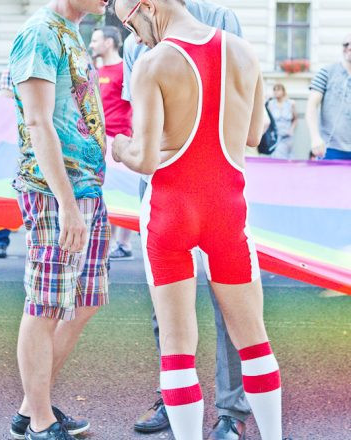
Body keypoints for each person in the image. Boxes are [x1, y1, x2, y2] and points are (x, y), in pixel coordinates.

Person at [113, 1, 286, 439]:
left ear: (147, 5)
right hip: (228, 209)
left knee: (176, 349)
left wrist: (118, 147)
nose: (134, 36)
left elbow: (147, 157)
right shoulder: (244, 52)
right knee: (255, 343)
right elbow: (253, 134)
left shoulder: (152, 64)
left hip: (170, 210)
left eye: (131, 22)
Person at [8, 0, 110, 439]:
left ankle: (34, 405)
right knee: (46, 303)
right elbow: (37, 121)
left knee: (84, 300)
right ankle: (39, 422)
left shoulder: (71, 31)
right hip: (55, 194)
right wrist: (66, 204)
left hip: (86, 190)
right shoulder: (39, 34)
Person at [89, 25, 135, 261]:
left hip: (119, 141)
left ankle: (124, 244)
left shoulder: (125, 70)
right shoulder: (95, 71)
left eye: (95, 40)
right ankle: (107, 241)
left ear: (109, 42)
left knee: (122, 193)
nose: (91, 44)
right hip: (97, 142)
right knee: (104, 194)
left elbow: (136, 105)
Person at [306, 33, 351, 161]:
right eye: (346, 44)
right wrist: (315, 137)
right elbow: (311, 106)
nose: (349, 47)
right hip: (330, 148)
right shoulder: (326, 72)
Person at [0, 69, 15, 259]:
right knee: (8, 193)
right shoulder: (11, 69)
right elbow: (7, 103)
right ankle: (1, 241)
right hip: (13, 141)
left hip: (36, 136)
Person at [267, 84, 297, 159]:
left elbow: (295, 119)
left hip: (287, 136)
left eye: (278, 90)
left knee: (288, 158)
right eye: (274, 90)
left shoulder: (290, 103)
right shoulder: (271, 104)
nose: (276, 92)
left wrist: (291, 130)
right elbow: (268, 120)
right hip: (276, 137)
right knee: (277, 157)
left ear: (283, 91)